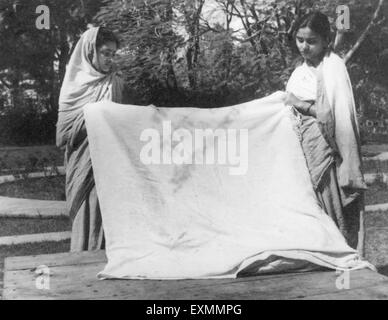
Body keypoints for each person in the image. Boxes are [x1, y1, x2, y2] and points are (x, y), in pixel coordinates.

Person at [283, 12, 367, 250]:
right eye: (300, 40)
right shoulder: (300, 70)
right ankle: (318, 252)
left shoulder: (333, 67)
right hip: (302, 146)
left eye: (312, 41)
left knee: (330, 200)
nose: (304, 46)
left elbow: (335, 113)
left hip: (327, 147)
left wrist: (302, 105)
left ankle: (339, 252)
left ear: (325, 41)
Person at [56, 26, 124, 252]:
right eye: (105, 53)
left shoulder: (115, 83)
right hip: (83, 165)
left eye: (113, 54)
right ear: (89, 51)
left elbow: (122, 124)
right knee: (85, 216)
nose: (110, 59)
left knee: (109, 221)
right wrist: (94, 117)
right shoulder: (72, 88)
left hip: (109, 165)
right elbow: (63, 135)